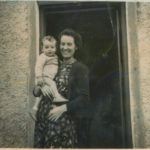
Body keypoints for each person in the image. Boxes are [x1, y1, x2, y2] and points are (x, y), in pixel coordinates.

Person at [33, 29, 89, 148]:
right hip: (43, 120)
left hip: (62, 122)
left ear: (76, 47)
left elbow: (84, 99)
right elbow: (36, 92)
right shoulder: (54, 63)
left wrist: (62, 108)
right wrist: (40, 86)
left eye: (69, 44)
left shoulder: (80, 68)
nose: (65, 47)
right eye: (62, 44)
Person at [30, 36, 68, 120]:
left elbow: (57, 64)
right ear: (42, 48)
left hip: (49, 79)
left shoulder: (55, 57)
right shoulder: (43, 57)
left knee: (44, 94)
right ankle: (57, 96)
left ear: (55, 48)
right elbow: (38, 67)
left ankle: (35, 108)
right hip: (45, 77)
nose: (49, 49)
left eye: (52, 47)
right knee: (52, 85)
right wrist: (39, 78)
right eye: (46, 47)